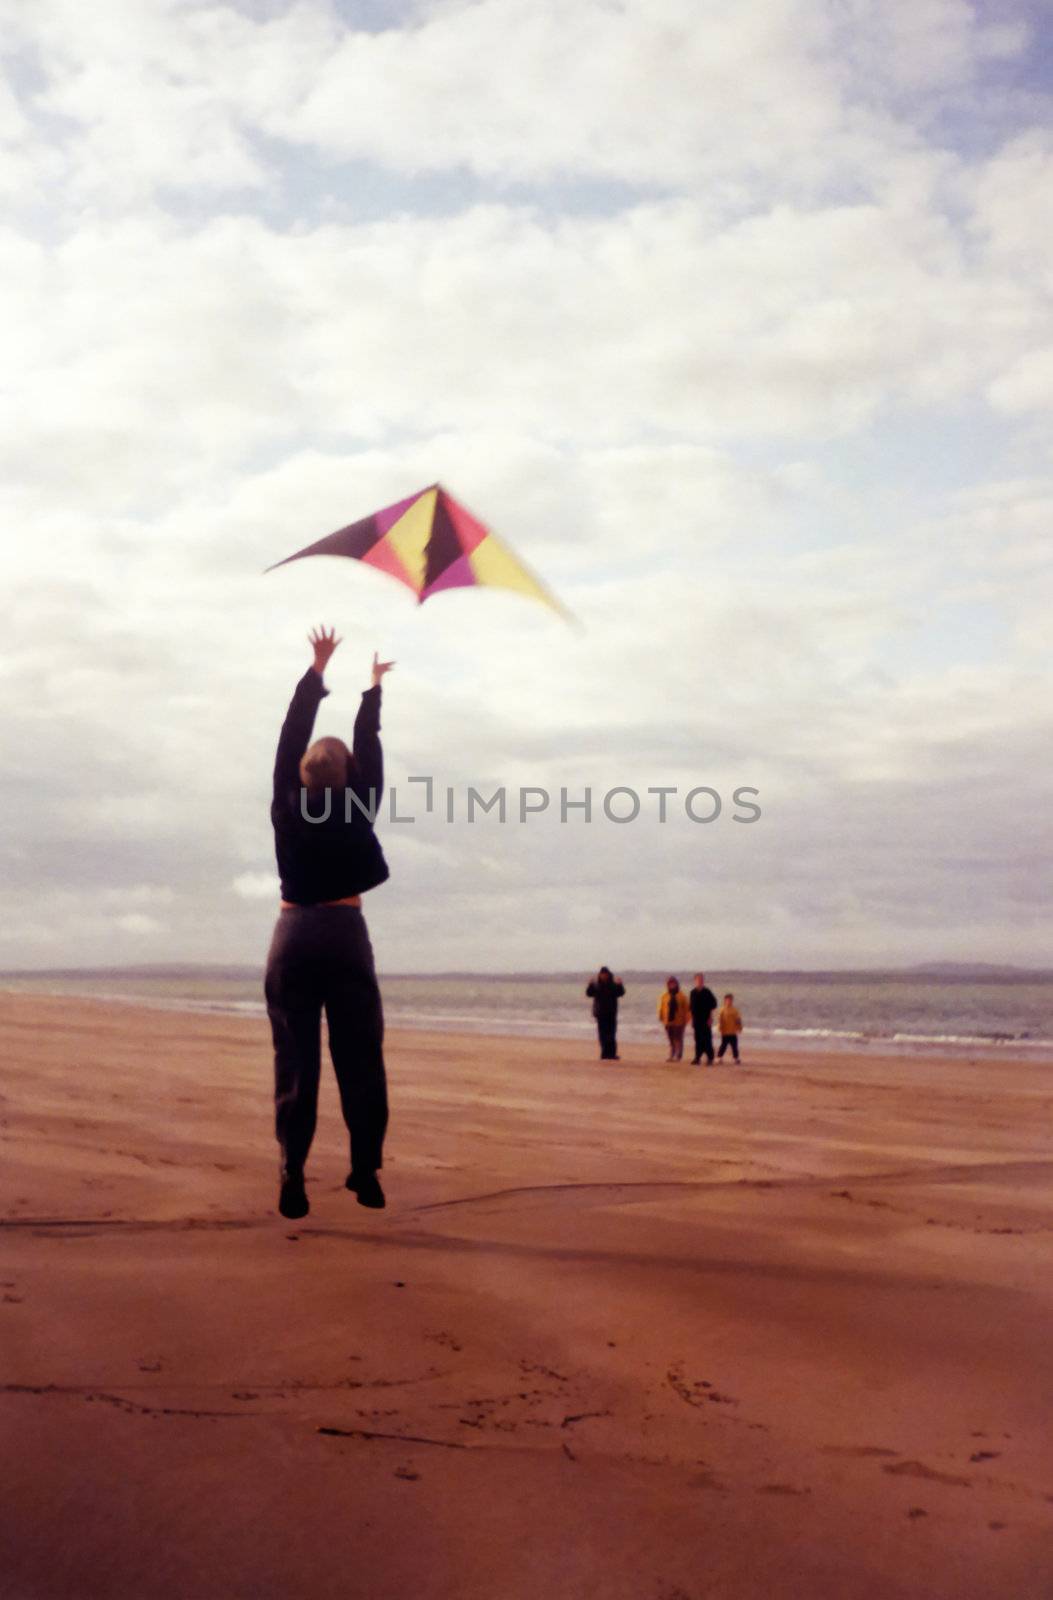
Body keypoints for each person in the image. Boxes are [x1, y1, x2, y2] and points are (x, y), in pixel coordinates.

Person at [264, 626, 395, 1220]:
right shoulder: (360, 802)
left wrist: (317, 672)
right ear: (348, 779)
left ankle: (293, 1168)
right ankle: (364, 1168)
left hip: (293, 936)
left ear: (300, 772)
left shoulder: (287, 804)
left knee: (296, 1056)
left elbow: (290, 734)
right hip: (344, 934)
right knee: (360, 1053)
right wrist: (371, 691)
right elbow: (369, 751)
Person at [586, 967, 625, 1060]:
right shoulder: (596, 985)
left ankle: (612, 1054)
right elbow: (589, 994)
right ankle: (604, 1054)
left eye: (605, 974)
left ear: (608, 975)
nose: (604, 976)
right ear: (600, 975)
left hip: (611, 1013)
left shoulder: (613, 985)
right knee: (602, 1035)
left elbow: (621, 993)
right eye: (602, 974)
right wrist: (590, 985)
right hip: (600, 1013)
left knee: (612, 1034)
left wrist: (620, 985)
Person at [657, 976, 690, 1061]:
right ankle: (672, 1054)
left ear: (676, 984)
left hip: (679, 1021)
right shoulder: (664, 995)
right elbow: (661, 1007)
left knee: (678, 1038)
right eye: (670, 983)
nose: (671, 985)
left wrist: (686, 1020)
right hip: (668, 1021)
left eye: (673, 983)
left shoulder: (681, 995)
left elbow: (687, 1009)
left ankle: (678, 1055)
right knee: (671, 1039)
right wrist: (660, 1017)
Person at [689, 971, 718, 1065]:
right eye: (698, 980)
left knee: (707, 1039)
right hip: (696, 1019)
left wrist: (710, 1017)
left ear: (703, 981)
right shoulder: (692, 993)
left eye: (701, 980)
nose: (699, 981)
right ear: (695, 981)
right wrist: (691, 1019)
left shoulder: (707, 992)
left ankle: (710, 1058)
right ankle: (697, 1058)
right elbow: (691, 1008)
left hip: (706, 1019)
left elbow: (714, 1005)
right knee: (697, 1039)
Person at [717, 993, 743, 1062]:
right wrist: (719, 1027)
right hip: (725, 1031)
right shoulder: (722, 1009)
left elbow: (738, 1019)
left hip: (732, 1031)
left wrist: (740, 1027)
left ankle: (736, 1058)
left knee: (734, 1046)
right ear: (725, 1001)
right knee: (723, 1045)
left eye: (731, 1000)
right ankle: (719, 1057)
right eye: (728, 1000)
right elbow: (720, 1020)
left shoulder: (735, 1010)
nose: (729, 1001)